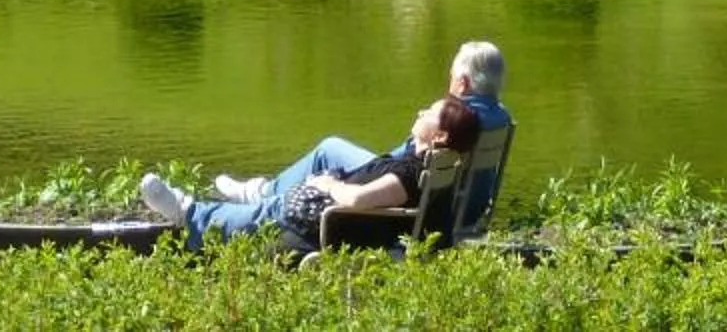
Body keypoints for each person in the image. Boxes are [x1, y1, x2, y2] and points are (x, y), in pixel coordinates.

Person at [152, 41, 514, 246]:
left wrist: (336, 184)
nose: (448, 84)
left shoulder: (461, 121)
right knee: (330, 153)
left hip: (414, 196)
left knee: (329, 148)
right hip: (448, 204)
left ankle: (253, 197)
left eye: (452, 77)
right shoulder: (498, 118)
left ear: (463, 82)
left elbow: (402, 166)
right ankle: (263, 193)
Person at [141, 95, 477, 249]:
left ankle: (188, 213)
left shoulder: (410, 172)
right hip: (326, 211)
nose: (420, 110)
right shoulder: (429, 163)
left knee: (265, 214)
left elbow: (360, 198)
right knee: (265, 209)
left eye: (429, 112)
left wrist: (329, 184)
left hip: (324, 222)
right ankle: (211, 205)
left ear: (441, 135)